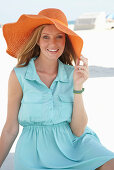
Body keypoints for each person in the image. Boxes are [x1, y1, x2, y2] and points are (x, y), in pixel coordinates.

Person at [0, 8, 114, 170]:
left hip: (74, 145)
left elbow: (78, 130)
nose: (53, 43)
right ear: (37, 40)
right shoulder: (19, 75)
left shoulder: (71, 74)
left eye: (59, 36)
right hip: (34, 152)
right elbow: (10, 128)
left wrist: (77, 87)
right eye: (46, 37)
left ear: (65, 40)